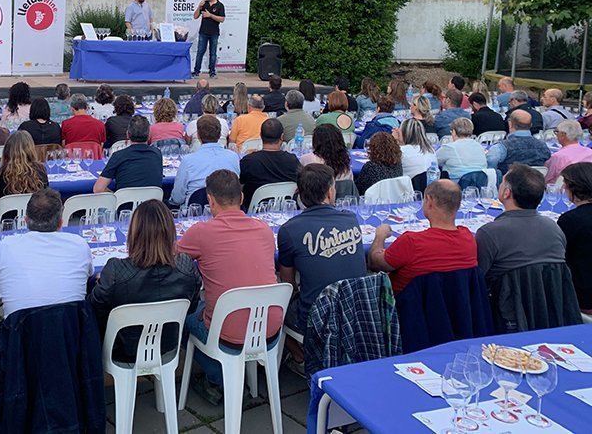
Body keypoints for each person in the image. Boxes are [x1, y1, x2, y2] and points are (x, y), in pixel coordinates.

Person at [177, 170, 280, 399]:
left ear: (210, 200)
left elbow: (168, 257)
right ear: (242, 198)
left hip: (227, 331)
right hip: (270, 327)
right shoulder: (264, 229)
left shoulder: (201, 233)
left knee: (180, 318)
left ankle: (219, 377)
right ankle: (231, 374)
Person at [277, 164, 366, 371]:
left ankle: (300, 358)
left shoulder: (289, 230)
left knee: (272, 304)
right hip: (355, 311)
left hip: (316, 316)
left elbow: (288, 284)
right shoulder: (350, 219)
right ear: (329, 192)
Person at [89, 200, 200, 361]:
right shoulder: (186, 266)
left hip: (121, 348)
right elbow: (192, 306)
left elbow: (93, 308)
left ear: (134, 232)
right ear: (170, 232)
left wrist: (101, 283)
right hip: (167, 343)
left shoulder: (115, 270)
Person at [0, 188, 92, 317]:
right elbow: (87, 275)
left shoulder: (6, 246)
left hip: (18, 334)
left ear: (25, 221)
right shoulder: (79, 244)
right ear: (60, 223)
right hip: (71, 331)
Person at [368, 180, 477, 294]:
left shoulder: (411, 242)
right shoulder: (469, 239)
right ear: (459, 205)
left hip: (405, 308)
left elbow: (375, 264)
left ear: (429, 201)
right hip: (456, 308)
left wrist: (380, 236)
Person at [476, 164, 566, 286]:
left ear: (506, 193)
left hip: (504, 301)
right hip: (551, 301)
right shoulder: (554, 228)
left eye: (502, 183)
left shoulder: (490, 233)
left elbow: (478, 278)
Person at [169, 115, 239, 207]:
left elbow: (177, 198)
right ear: (219, 135)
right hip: (225, 209)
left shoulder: (188, 161)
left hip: (194, 213)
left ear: (198, 135)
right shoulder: (233, 157)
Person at [239, 118, 299, 209]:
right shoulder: (292, 160)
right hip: (285, 209)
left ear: (260, 136)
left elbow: (239, 187)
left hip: (253, 210)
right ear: (282, 137)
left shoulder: (249, 161)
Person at [94, 116, 163, 192]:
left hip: (125, 202)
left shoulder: (118, 156)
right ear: (149, 135)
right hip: (152, 202)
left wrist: (115, 196)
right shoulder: (157, 154)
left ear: (127, 134)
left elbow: (98, 189)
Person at [557, 162, 592, 312]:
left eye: (565, 185)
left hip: (583, 297)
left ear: (574, 188)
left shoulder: (570, 220)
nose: (563, 188)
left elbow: (559, 257)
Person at [486, 110, 551, 175]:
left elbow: (490, 168)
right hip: (536, 182)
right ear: (531, 125)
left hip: (509, 182)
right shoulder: (543, 146)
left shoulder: (501, 147)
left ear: (510, 124)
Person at [0, 130, 48, 199]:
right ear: (31, 149)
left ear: (7, 151)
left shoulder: (2, 174)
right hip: (35, 208)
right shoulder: (40, 171)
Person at [436, 117, 488, 182]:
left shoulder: (450, 147)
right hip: (482, 182)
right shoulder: (479, 146)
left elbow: (434, 160)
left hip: (456, 185)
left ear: (454, 132)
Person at [192, 0, 225, 78]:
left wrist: (210, 15)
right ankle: (196, 71)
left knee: (213, 53)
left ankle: (212, 72)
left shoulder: (220, 5)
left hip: (214, 32)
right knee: (200, 52)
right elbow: (195, 16)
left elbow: (222, 19)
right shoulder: (204, 4)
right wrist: (199, 7)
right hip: (203, 32)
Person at [545, 120, 592, 185]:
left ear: (563, 135)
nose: (556, 135)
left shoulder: (558, 157)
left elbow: (548, 180)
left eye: (557, 132)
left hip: (566, 190)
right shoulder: (590, 152)